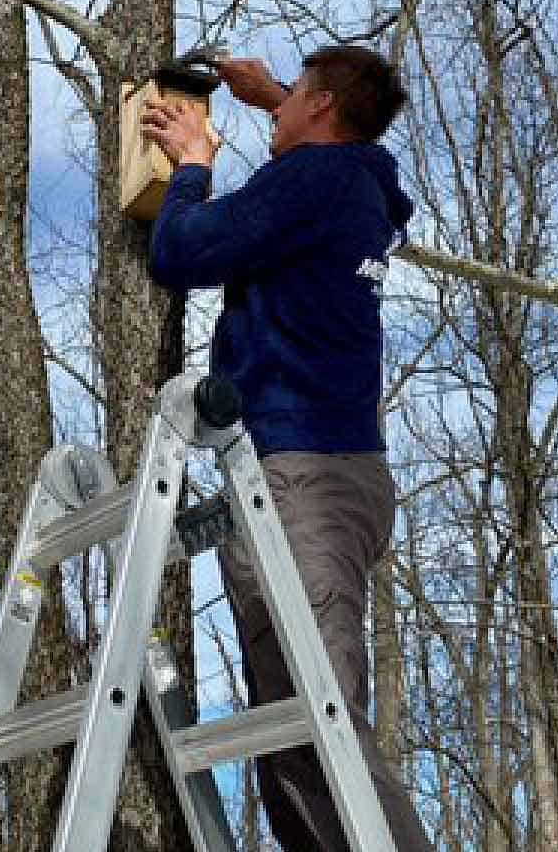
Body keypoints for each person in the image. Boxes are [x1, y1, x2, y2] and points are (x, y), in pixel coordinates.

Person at [140, 45, 436, 852]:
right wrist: (276, 99)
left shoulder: (313, 181)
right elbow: (336, 153)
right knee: (295, 739)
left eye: (296, 93)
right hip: (329, 475)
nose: (281, 104)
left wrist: (194, 165)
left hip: (302, 479)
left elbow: (183, 254)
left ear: (325, 108)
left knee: (324, 725)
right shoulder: (358, 188)